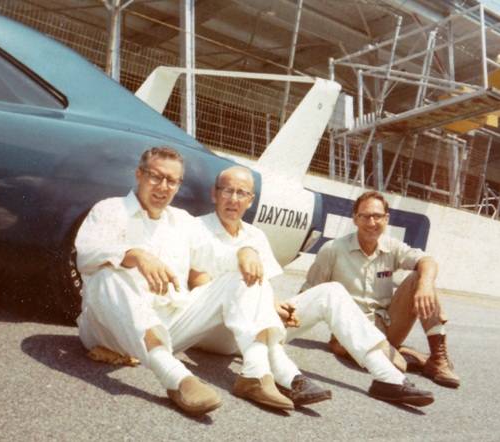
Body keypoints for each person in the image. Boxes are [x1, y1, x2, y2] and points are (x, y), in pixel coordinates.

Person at [75, 147, 328, 416]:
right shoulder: (111, 209)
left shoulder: (181, 222)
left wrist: (245, 252)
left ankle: (255, 375)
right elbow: (87, 254)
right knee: (107, 274)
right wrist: (133, 254)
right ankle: (177, 378)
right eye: (155, 177)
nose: (163, 187)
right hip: (110, 330)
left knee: (241, 277)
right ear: (139, 174)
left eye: (172, 181)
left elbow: (218, 259)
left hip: (170, 325)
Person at [192, 166, 434, 407]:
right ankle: (288, 378)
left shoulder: (256, 236)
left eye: (241, 193)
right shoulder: (198, 229)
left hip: (257, 325)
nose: (234, 199)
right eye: (228, 191)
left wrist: (276, 306)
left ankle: (387, 378)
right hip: (215, 331)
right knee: (252, 305)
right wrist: (262, 307)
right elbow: (199, 285)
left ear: (250, 200)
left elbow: (264, 286)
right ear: (215, 194)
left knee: (332, 292)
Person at [302, 190, 460, 389]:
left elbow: (427, 260)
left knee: (421, 275)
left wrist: (426, 284)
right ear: (355, 219)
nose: (371, 222)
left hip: (387, 326)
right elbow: (309, 293)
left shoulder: (391, 246)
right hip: (350, 332)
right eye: (365, 216)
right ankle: (406, 356)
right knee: (398, 365)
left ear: (386, 219)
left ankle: (438, 358)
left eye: (377, 216)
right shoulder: (332, 250)